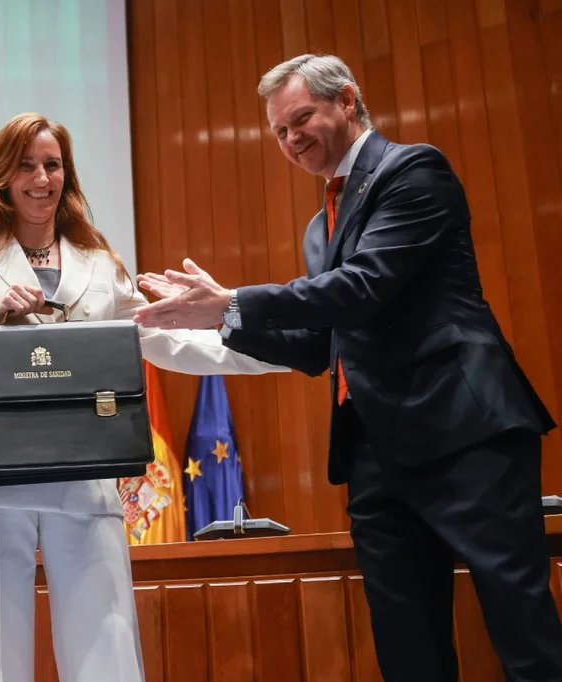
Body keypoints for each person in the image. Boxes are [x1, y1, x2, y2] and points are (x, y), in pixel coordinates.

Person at [133, 54, 562, 682]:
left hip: (464, 434)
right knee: (407, 651)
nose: (291, 139)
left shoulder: (414, 169)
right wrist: (220, 321)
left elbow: (365, 286)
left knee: (522, 631)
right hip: (373, 455)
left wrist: (233, 301)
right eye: (279, 131)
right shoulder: (318, 227)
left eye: (301, 118)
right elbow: (317, 346)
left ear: (348, 101)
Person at [0, 113, 286, 682]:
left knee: (108, 657)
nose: (42, 177)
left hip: (84, 480)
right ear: (1, 178)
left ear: (68, 175)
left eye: (53, 165)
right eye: (27, 165)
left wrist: (290, 351)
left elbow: (170, 342)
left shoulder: (99, 264)